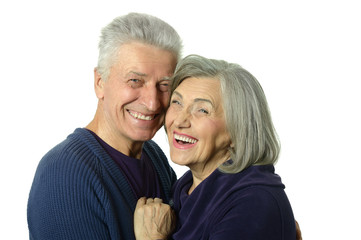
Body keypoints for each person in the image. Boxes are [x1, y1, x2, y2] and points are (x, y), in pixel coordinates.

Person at [27, 12, 182, 240]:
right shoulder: (65, 174)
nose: (152, 102)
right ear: (100, 82)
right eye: (135, 81)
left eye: (164, 85)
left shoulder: (153, 155)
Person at [135, 54, 299, 239]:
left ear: (238, 130)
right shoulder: (185, 188)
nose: (179, 121)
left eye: (202, 110)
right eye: (177, 102)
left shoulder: (253, 203)